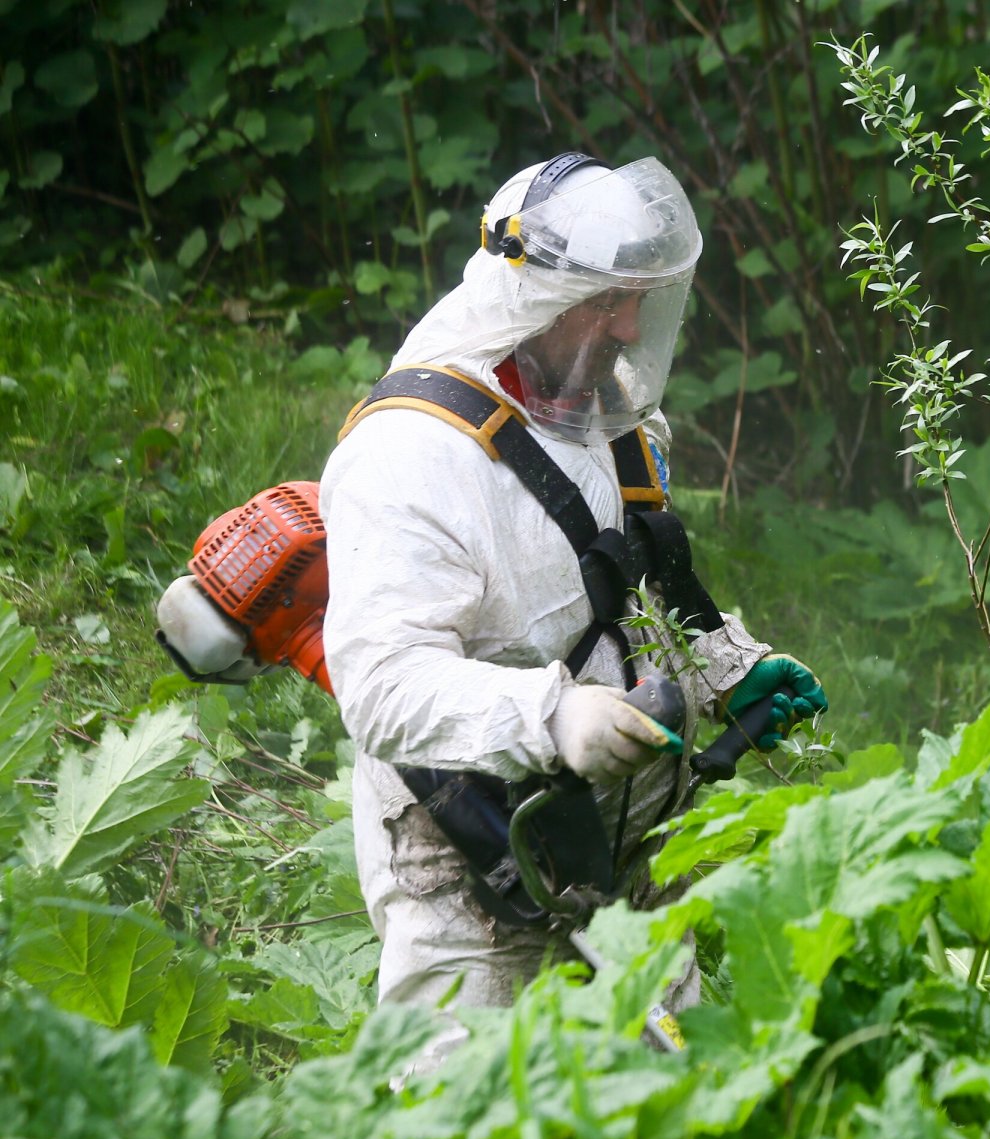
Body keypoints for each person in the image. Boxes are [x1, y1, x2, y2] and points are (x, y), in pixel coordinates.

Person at [319, 153, 826, 1011]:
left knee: (672, 1124)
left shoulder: (610, 409)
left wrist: (724, 666)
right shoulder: (410, 454)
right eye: (604, 300)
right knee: (469, 1134)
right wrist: (551, 717)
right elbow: (379, 687)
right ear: (531, 294)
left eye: (638, 300)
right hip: (476, 865)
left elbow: (625, 586)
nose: (628, 328)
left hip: (630, 858)